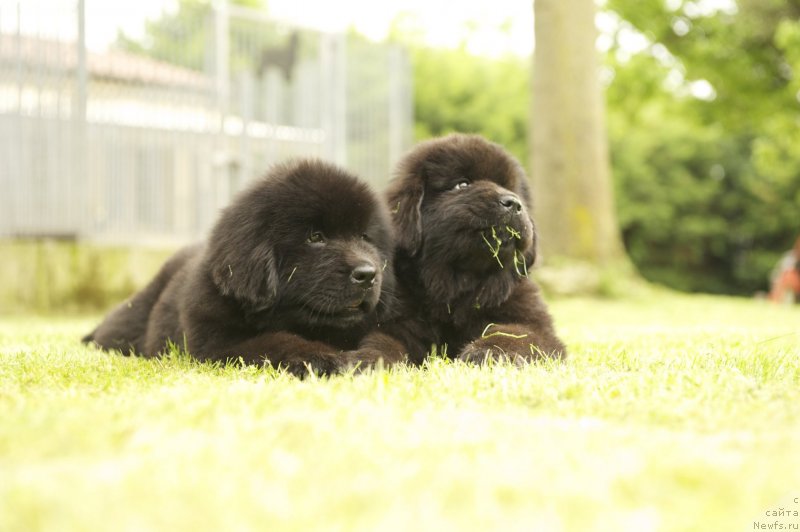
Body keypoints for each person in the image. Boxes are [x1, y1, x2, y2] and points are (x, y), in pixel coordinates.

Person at [769, 235, 800, 304]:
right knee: (788, 275)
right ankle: (776, 300)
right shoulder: (791, 257)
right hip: (783, 283)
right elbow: (783, 275)